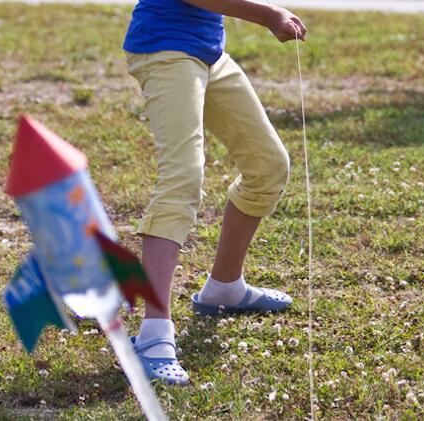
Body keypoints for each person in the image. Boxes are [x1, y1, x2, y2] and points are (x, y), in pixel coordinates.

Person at [123, 0, 307, 385]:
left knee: (267, 166)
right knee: (182, 179)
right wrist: (269, 15)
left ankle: (224, 287)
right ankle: (153, 334)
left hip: (209, 52)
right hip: (165, 49)